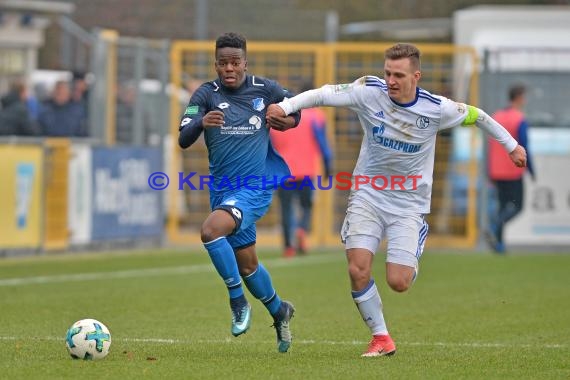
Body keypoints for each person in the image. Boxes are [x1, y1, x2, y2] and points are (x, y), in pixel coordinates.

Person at [266, 43, 527, 357]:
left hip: (409, 203)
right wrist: (287, 106)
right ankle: (381, 338)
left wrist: (511, 146)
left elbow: (480, 116)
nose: (390, 80)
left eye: (399, 75)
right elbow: (321, 94)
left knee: (398, 282)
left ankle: (413, 244)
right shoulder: (367, 91)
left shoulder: (436, 109)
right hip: (368, 193)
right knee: (358, 267)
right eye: (388, 72)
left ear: (416, 76)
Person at [178, 32, 300, 353]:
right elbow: (183, 137)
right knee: (248, 266)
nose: (229, 68)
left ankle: (237, 302)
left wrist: (286, 119)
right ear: (216, 64)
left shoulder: (266, 89)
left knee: (209, 230)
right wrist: (202, 122)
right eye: (223, 63)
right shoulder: (205, 94)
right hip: (222, 191)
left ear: (245, 62)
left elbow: (295, 109)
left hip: (255, 188)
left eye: (235, 62)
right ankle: (279, 311)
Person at [270, 80, 333, 257]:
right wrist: (328, 166)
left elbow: (271, 144)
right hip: (307, 171)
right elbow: (323, 144)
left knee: (286, 208)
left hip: (283, 171)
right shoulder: (316, 116)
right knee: (306, 206)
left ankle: (289, 246)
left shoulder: (280, 115)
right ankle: (302, 230)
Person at [486, 84, 535, 254]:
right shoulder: (519, 119)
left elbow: (490, 146)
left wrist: (489, 169)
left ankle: (499, 245)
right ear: (520, 97)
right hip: (514, 171)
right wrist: (531, 170)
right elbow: (524, 145)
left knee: (502, 207)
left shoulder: (496, 117)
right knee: (517, 207)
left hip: (496, 171)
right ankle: (494, 227)